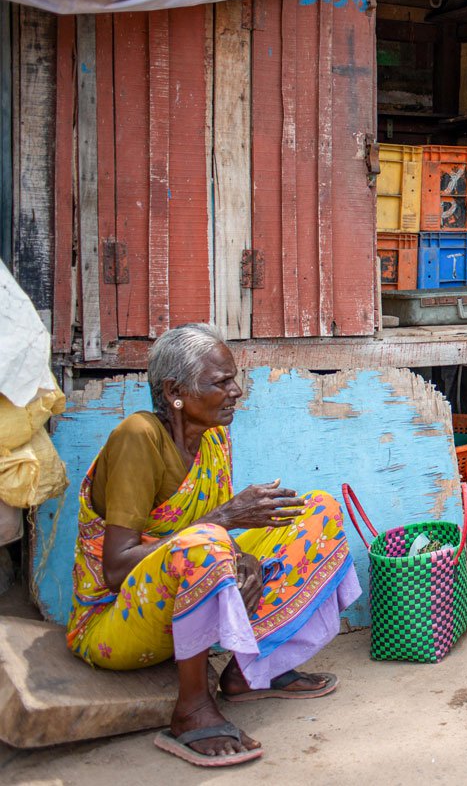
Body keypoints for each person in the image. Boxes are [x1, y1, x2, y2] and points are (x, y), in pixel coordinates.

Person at [65, 324, 361, 767]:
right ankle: (190, 712)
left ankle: (250, 669)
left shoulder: (213, 436)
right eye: (221, 382)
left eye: (234, 379)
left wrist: (243, 560)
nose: (236, 391)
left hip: (185, 590)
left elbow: (214, 535)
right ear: (174, 391)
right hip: (115, 622)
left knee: (316, 511)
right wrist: (224, 525)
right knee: (202, 543)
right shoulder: (138, 437)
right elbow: (116, 568)